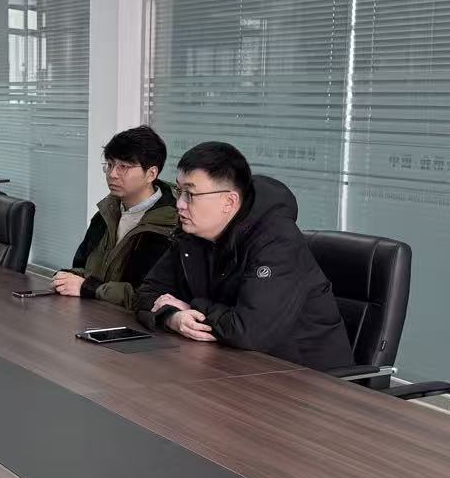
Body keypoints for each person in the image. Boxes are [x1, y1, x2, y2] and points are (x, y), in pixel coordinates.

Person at [134, 141, 352, 370]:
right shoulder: (193, 234)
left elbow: (250, 332)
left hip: (306, 377)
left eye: (190, 194)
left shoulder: (277, 242)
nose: (179, 204)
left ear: (229, 201)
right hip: (232, 366)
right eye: (179, 191)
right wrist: (172, 317)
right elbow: (146, 293)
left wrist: (191, 308)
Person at [52, 125, 178, 308]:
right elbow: (82, 266)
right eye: (110, 165)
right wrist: (65, 277)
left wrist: (89, 287)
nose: (112, 174)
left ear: (151, 173)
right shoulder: (106, 213)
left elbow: (148, 297)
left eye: (123, 167)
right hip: (93, 312)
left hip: (132, 322)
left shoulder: (170, 226)